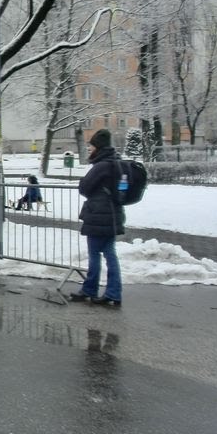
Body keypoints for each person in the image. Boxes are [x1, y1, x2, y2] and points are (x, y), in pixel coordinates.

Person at [69, 129, 123, 308]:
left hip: (99, 216)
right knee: (110, 254)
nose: (89, 149)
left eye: (91, 146)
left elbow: (85, 187)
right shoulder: (116, 162)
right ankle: (113, 292)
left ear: (98, 147)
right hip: (113, 215)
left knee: (94, 254)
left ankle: (90, 289)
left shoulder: (101, 166)